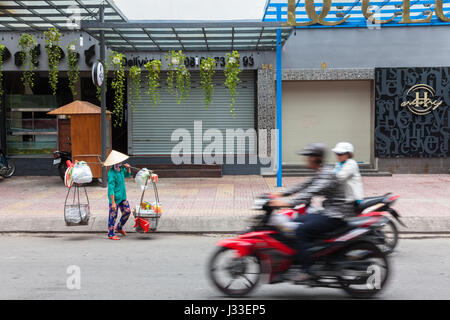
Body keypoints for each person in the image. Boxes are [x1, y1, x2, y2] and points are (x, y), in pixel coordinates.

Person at [270, 143, 355, 281]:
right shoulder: (321, 171)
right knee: (296, 221)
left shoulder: (326, 174)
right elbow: (304, 185)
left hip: (336, 215)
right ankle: (307, 255)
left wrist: (288, 203)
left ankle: (307, 270)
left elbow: (311, 191)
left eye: (308, 157)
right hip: (328, 211)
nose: (306, 160)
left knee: (301, 230)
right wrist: (281, 194)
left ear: (316, 158)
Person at [104, 150, 133, 240]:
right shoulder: (112, 173)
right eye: (118, 161)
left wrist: (128, 168)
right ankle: (111, 234)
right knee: (113, 215)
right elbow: (111, 189)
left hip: (123, 197)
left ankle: (119, 227)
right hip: (115, 198)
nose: (121, 162)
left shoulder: (121, 169)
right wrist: (112, 202)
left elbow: (128, 175)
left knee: (127, 211)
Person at [332, 142, 364, 206]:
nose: (338, 156)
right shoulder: (339, 164)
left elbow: (339, 177)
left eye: (340, 154)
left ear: (348, 154)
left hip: (353, 199)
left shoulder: (351, 164)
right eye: (337, 153)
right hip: (343, 197)